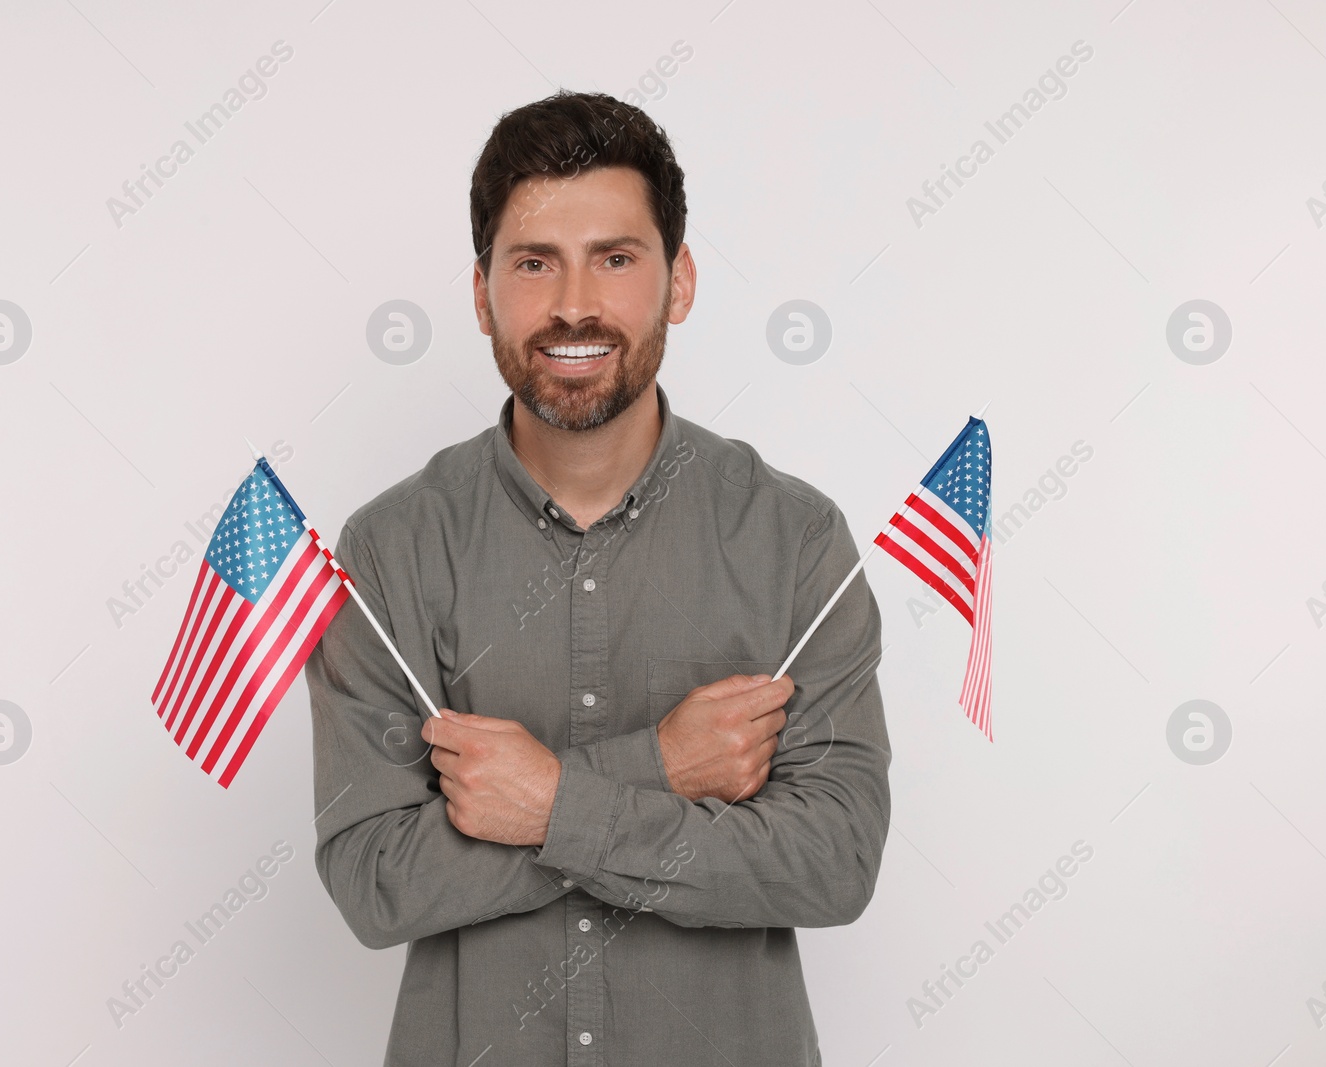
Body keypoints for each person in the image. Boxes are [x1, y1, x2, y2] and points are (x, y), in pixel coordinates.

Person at [308, 89, 891, 1066]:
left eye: (614, 258)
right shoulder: (390, 547)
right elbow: (377, 881)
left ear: (678, 281)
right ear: (483, 290)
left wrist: (543, 802)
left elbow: (829, 863)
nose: (573, 303)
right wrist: (657, 769)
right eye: (534, 262)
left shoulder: (792, 539)